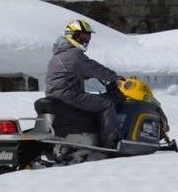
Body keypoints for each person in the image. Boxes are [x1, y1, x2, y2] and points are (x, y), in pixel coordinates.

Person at [45, 18, 123, 149]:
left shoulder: (61, 54)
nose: (85, 40)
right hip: (68, 95)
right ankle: (110, 142)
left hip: (57, 95)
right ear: (72, 36)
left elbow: (75, 72)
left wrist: (85, 76)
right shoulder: (73, 55)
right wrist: (114, 77)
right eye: (82, 36)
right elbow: (94, 68)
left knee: (93, 100)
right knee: (106, 103)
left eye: (88, 37)